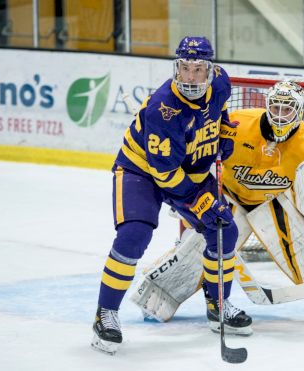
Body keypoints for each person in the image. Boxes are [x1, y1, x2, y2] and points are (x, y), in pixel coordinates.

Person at [130, 80, 304, 331]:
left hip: (272, 202)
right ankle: (157, 294)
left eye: (287, 109)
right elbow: (197, 148)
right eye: (275, 107)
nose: (279, 115)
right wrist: (186, 193)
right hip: (229, 196)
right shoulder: (239, 123)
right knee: (202, 244)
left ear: (300, 111)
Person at [91, 36, 251, 356]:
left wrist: (226, 134)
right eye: (185, 68)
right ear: (176, 68)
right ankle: (105, 314)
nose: (191, 77)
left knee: (225, 232)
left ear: (210, 69)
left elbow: (218, 114)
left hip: (188, 170)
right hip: (141, 171)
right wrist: (201, 203)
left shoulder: (220, 84)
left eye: (198, 69)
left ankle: (218, 303)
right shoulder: (164, 109)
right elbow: (164, 175)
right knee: (134, 235)